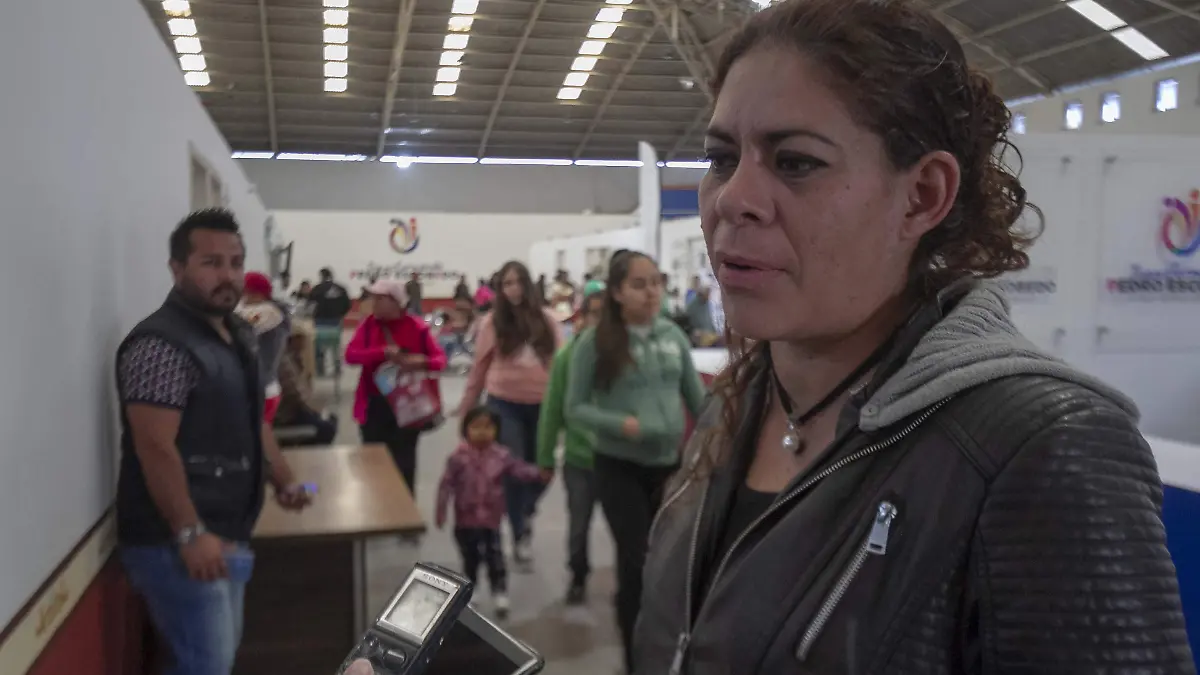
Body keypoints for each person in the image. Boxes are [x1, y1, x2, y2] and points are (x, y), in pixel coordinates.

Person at [634, 1, 1194, 673]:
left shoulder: (1044, 450)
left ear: (923, 195)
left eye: (796, 162)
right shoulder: (739, 402)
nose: (731, 197)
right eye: (722, 158)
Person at [116, 209, 311, 675]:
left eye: (235, 262)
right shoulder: (158, 345)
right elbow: (154, 447)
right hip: (175, 539)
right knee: (204, 666)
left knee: (215, 660)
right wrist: (189, 532)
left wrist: (282, 477)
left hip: (228, 528)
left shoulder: (238, 333)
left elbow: (251, 418)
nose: (227, 275)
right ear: (177, 268)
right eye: (210, 263)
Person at [564, 251, 706, 673]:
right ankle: (636, 660)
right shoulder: (595, 342)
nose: (651, 293)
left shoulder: (672, 336)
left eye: (656, 283)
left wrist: (721, 435)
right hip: (619, 468)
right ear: (617, 292)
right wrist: (619, 423)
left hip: (670, 468)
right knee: (637, 563)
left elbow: (698, 401)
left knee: (672, 563)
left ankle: (669, 652)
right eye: (639, 285)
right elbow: (575, 408)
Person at [456, 260, 562, 566]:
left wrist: (565, 408)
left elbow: (559, 367)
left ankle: (526, 510)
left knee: (544, 469)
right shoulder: (492, 323)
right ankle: (520, 533)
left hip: (543, 405)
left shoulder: (548, 321)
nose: (513, 288)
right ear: (500, 289)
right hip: (504, 405)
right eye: (507, 283)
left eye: (518, 282)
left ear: (528, 285)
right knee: (513, 469)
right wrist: (467, 410)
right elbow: (478, 370)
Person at [436, 406, 546, 618]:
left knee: (495, 555)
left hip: (491, 519)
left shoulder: (501, 456)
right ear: (465, 429)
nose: (482, 432)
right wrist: (440, 512)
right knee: (471, 557)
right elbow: (446, 485)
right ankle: (472, 589)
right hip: (465, 520)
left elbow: (518, 469)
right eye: (476, 427)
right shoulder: (458, 458)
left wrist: (538, 474)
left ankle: (500, 591)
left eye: (488, 427)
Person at [536, 288, 605, 605]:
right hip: (579, 460)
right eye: (594, 314)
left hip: (622, 461)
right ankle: (578, 575)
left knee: (633, 531)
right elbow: (552, 409)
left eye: (607, 314)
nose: (600, 321)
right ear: (582, 317)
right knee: (579, 526)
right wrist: (545, 457)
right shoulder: (568, 356)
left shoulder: (628, 353)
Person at [345, 279, 447, 494]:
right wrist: (381, 353)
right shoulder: (368, 326)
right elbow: (350, 356)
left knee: (405, 462)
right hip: (374, 404)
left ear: (396, 302)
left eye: (380, 298)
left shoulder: (417, 327)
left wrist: (420, 361)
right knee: (373, 461)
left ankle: (406, 514)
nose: (373, 303)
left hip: (407, 405)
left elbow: (440, 361)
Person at [235, 272, 290, 424]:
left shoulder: (269, 312)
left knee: (255, 440)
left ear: (256, 293)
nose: (243, 298)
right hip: (260, 388)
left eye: (245, 293)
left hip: (262, 390)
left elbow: (237, 327)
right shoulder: (267, 310)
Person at [274, 334, 338, 445]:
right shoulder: (281, 359)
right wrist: (312, 406)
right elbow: (294, 393)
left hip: (290, 409)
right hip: (285, 415)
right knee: (327, 426)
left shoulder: (290, 356)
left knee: (329, 418)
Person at [309, 267, 351, 377]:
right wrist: (340, 314)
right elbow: (347, 304)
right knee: (335, 345)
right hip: (335, 320)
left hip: (320, 321)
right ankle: (337, 369)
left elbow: (310, 305)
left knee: (318, 346)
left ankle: (320, 369)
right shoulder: (341, 288)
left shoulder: (316, 289)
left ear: (321, 276)